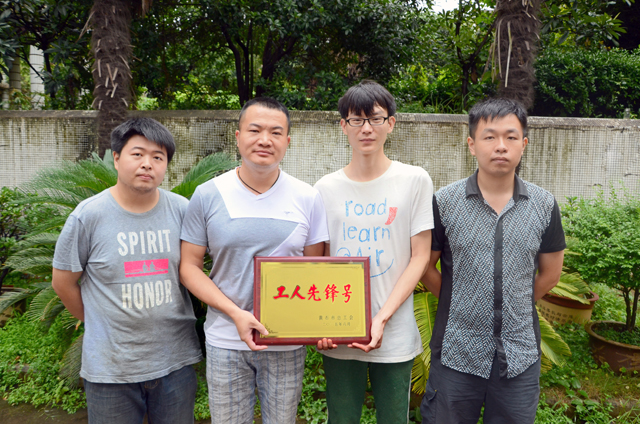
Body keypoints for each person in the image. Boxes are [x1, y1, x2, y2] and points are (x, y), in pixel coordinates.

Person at [179, 97, 328, 424]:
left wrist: (320, 324)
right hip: (225, 339)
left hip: (285, 343)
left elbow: (314, 271)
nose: (265, 140)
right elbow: (189, 266)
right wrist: (235, 313)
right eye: (255, 130)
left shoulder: (307, 197)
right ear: (237, 136)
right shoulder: (208, 194)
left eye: (276, 132)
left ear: (288, 141)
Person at [419, 98, 566, 424]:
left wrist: (514, 301)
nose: (501, 146)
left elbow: (551, 274)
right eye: (489, 137)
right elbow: (425, 266)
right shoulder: (445, 202)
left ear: (523, 144)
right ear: (472, 144)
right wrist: (459, 300)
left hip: (519, 354)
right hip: (456, 352)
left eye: (511, 137)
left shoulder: (543, 205)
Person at [52, 118, 203, 424]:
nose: (147, 164)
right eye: (138, 154)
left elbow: (196, 267)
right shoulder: (88, 216)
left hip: (175, 364)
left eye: (158, 157)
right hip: (111, 371)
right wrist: (98, 321)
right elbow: (63, 283)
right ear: (117, 158)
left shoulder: (182, 209)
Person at [314, 80, 434, 423]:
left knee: (394, 418)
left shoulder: (414, 180)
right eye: (356, 119)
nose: (366, 128)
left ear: (390, 123)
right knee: (341, 418)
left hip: (395, 332)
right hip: (338, 331)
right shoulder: (324, 188)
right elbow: (318, 262)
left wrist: (381, 319)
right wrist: (318, 320)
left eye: (376, 118)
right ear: (344, 126)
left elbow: (420, 256)